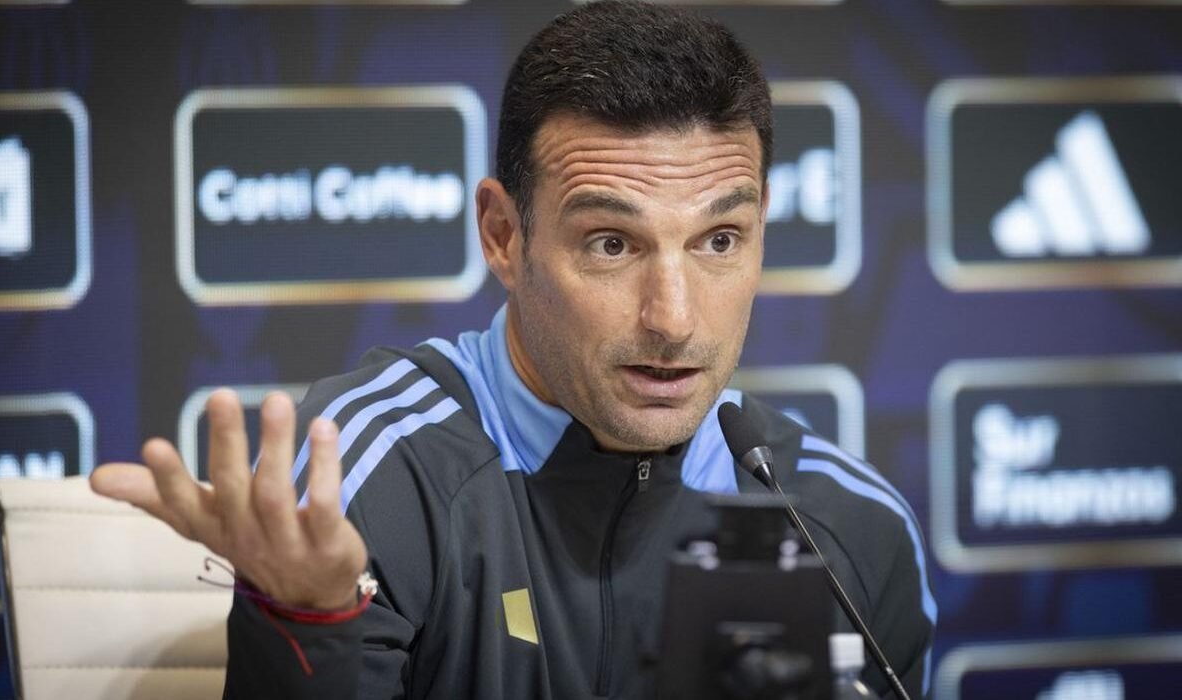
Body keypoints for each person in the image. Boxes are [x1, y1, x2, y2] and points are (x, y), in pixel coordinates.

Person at [91, 1, 936, 698]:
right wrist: (312, 626)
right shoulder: (376, 472)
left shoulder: (848, 528)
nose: (675, 319)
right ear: (503, 234)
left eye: (720, 241)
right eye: (611, 244)